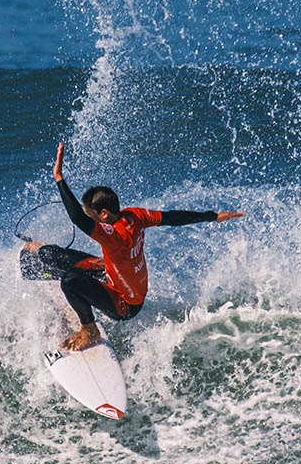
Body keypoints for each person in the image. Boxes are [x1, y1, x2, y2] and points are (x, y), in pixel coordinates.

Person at [20, 142, 244, 351]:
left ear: (104, 214)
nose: (91, 221)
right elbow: (172, 217)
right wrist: (212, 216)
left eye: (93, 216)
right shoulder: (134, 215)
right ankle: (43, 257)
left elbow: (78, 218)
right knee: (50, 253)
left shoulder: (112, 235)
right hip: (109, 273)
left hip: (125, 304)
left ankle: (89, 329)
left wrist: (59, 178)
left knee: (69, 280)